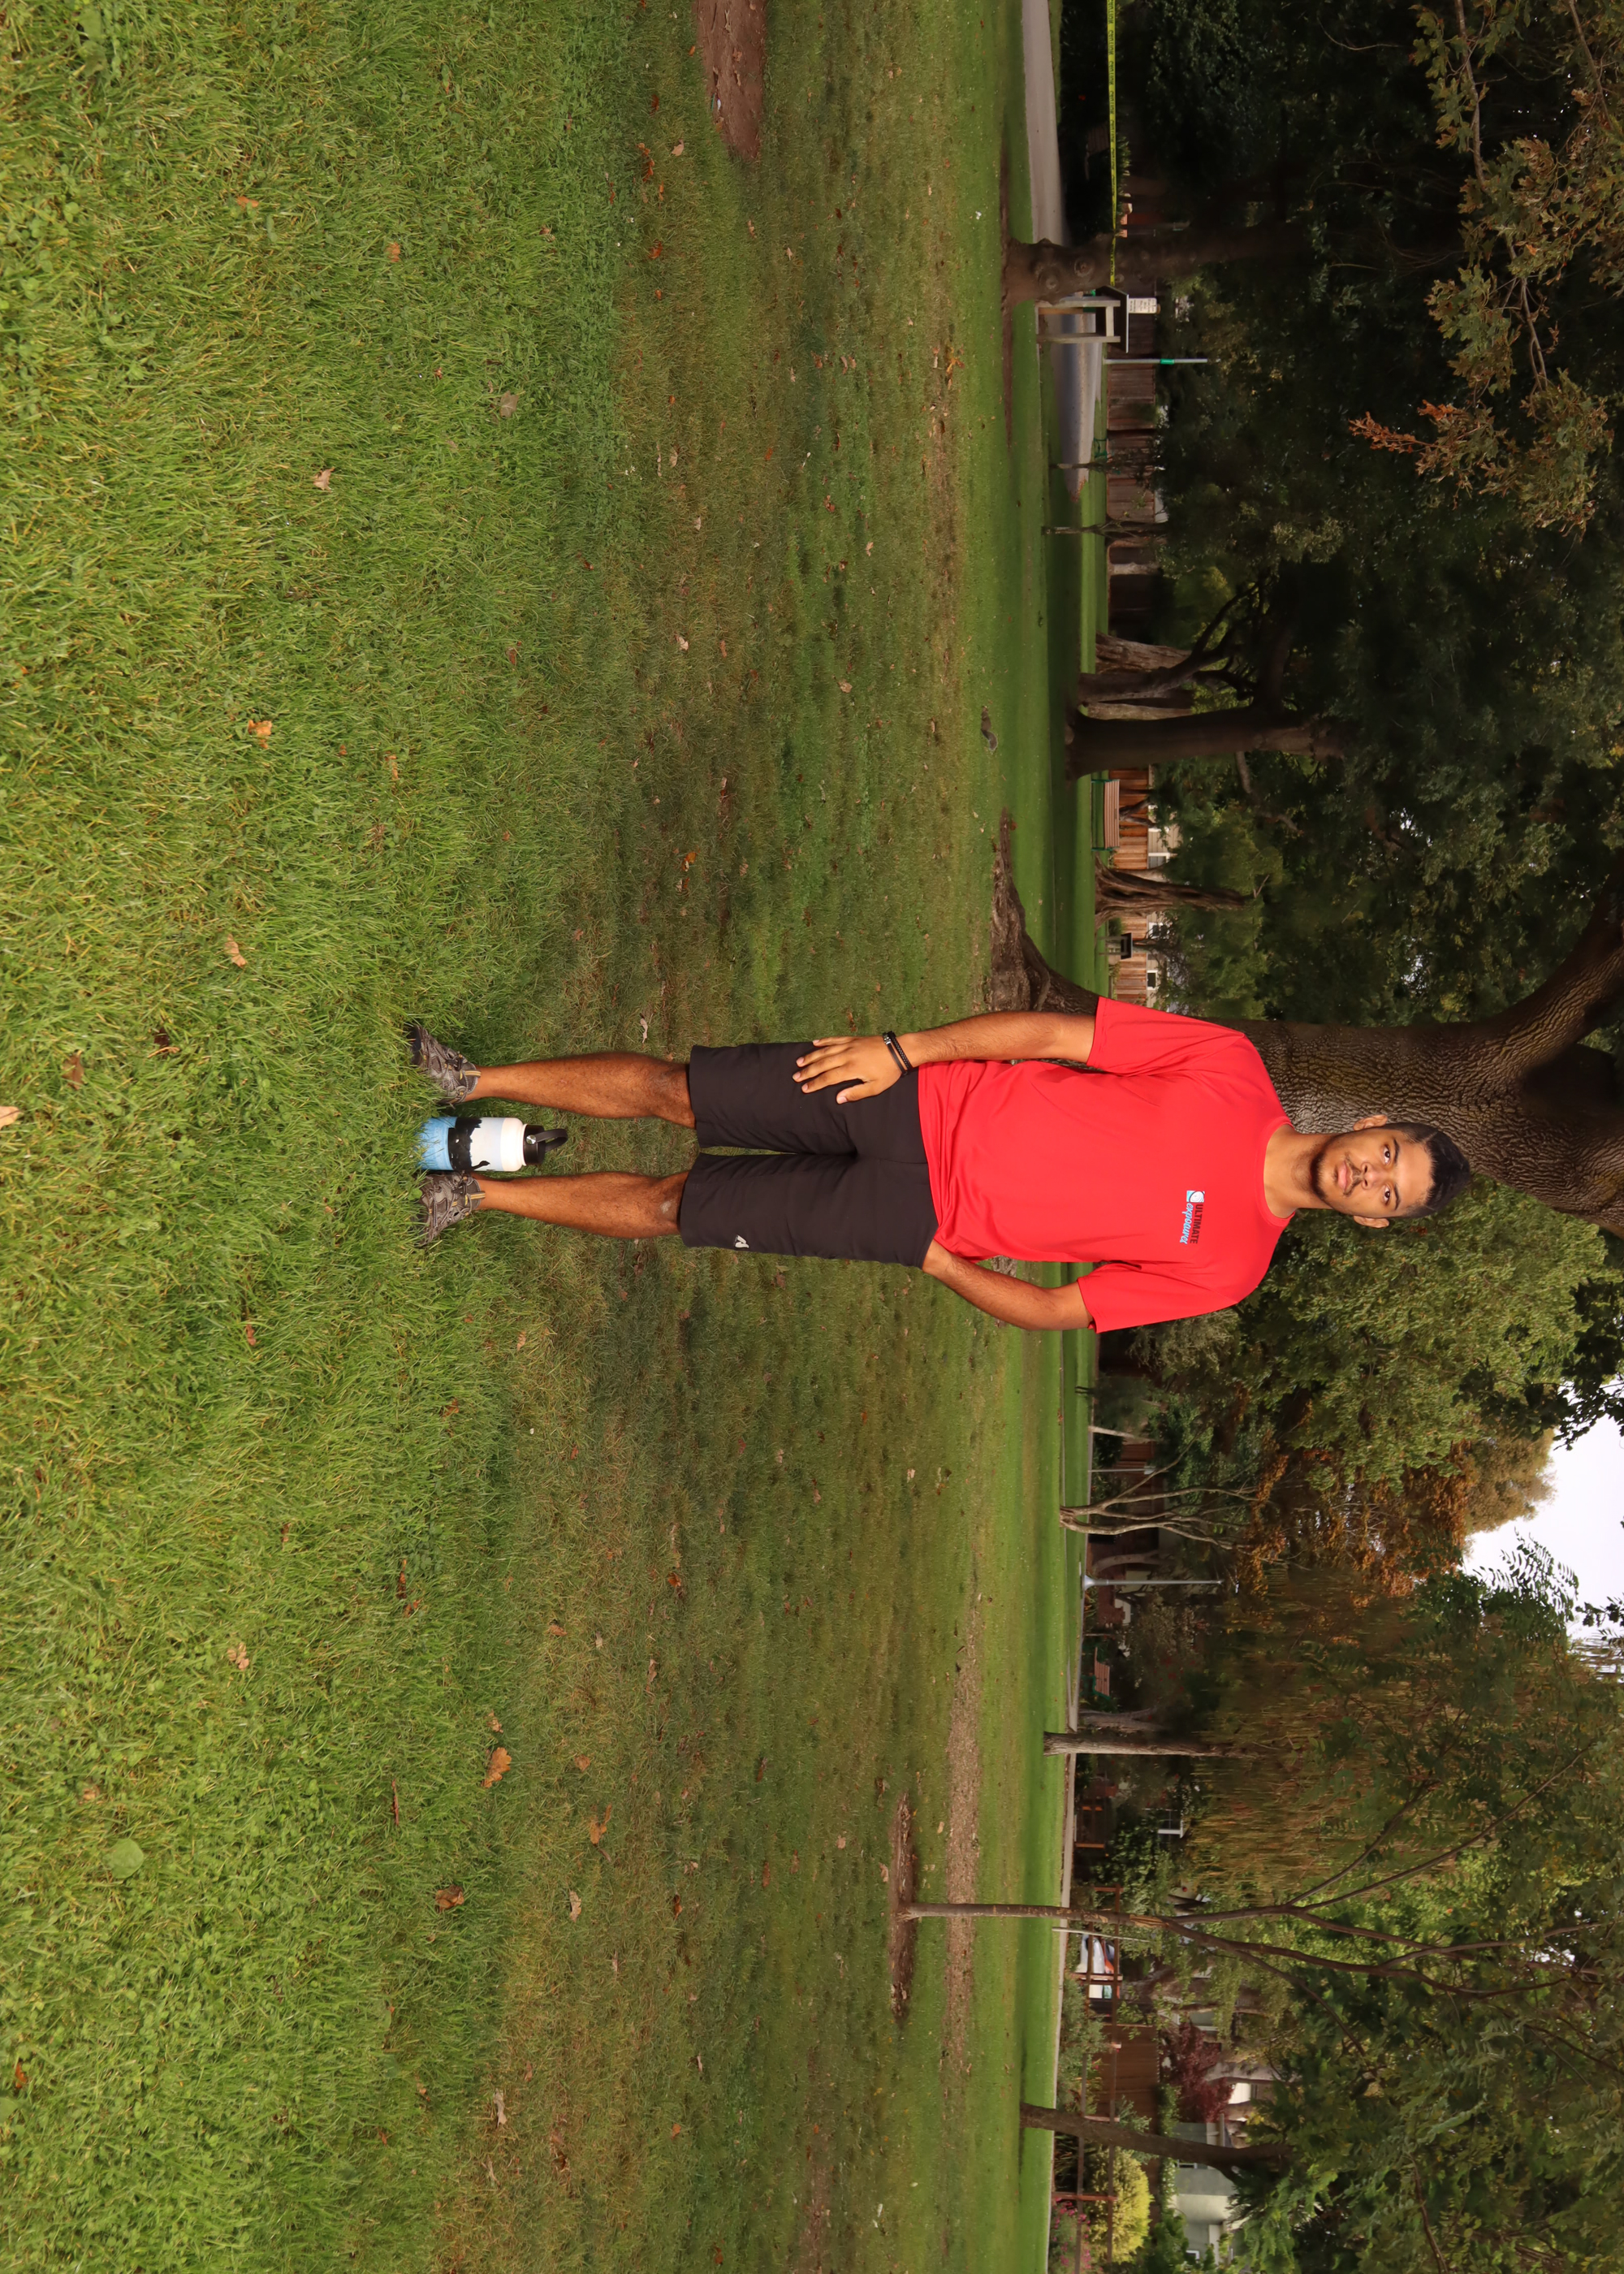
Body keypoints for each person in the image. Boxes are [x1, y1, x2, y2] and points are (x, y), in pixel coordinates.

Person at [407, 1002, 1471, 1334]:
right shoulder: (1230, 1067)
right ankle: (474, 1077)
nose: (1370, 1176)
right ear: (1373, 1123)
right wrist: (904, 1051)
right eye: (1388, 1155)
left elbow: (1059, 1312)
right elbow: (1053, 1035)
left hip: (913, 1216)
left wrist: (939, 1262)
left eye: (1389, 1193)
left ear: (1375, 1220)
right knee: (680, 1091)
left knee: (675, 1206)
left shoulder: (1231, 1269)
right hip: (916, 1095)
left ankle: (476, 1193)